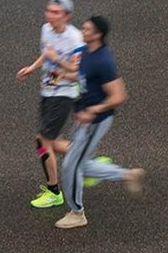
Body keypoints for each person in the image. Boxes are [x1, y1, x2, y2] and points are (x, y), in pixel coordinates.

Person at [55, 16, 146, 230]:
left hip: (95, 121)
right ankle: (127, 175)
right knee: (81, 164)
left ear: (98, 35)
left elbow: (119, 96)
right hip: (83, 118)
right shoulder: (87, 51)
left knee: (71, 165)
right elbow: (83, 75)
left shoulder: (104, 61)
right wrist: (64, 75)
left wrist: (94, 110)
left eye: (87, 29)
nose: (82, 31)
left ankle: (77, 213)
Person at [16, 0, 84, 209]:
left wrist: (57, 61)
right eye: (49, 11)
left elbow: (77, 72)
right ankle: (85, 159)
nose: (50, 16)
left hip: (64, 94)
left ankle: (54, 191)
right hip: (47, 91)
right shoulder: (46, 29)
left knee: (42, 141)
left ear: (67, 16)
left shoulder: (76, 39)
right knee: (48, 142)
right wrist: (32, 67)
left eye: (56, 13)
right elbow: (47, 52)